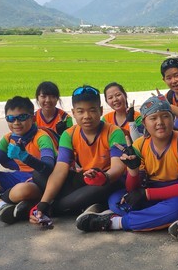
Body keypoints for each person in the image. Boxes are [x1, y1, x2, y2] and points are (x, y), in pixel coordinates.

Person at [75, 95, 178, 235]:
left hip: (174, 192)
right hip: (151, 193)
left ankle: (114, 222)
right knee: (116, 200)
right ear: (145, 123)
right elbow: (132, 189)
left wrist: (145, 194)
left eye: (165, 116)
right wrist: (133, 170)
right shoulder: (139, 144)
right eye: (153, 118)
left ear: (173, 119)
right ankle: (161, 220)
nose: (160, 122)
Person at [29, 85, 127, 227]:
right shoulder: (69, 134)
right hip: (84, 179)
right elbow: (60, 169)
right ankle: (74, 205)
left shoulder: (114, 132)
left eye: (92, 110)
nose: (86, 116)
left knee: (95, 189)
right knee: (39, 174)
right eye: (81, 111)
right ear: (73, 113)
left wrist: (104, 177)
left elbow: (118, 167)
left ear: (100, 111)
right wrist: (44, 201)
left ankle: (52, 208)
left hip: (107, 180)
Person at [0, 96, 57, 221]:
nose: (16, 123)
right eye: (10, 119)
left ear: (32, 118)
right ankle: (3, 201)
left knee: (22, 190)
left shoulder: (41, 137)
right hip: (18, 176)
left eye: (21, 117)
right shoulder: (8, 138)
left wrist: (26, 157)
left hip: (38, 180)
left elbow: (48, 168)